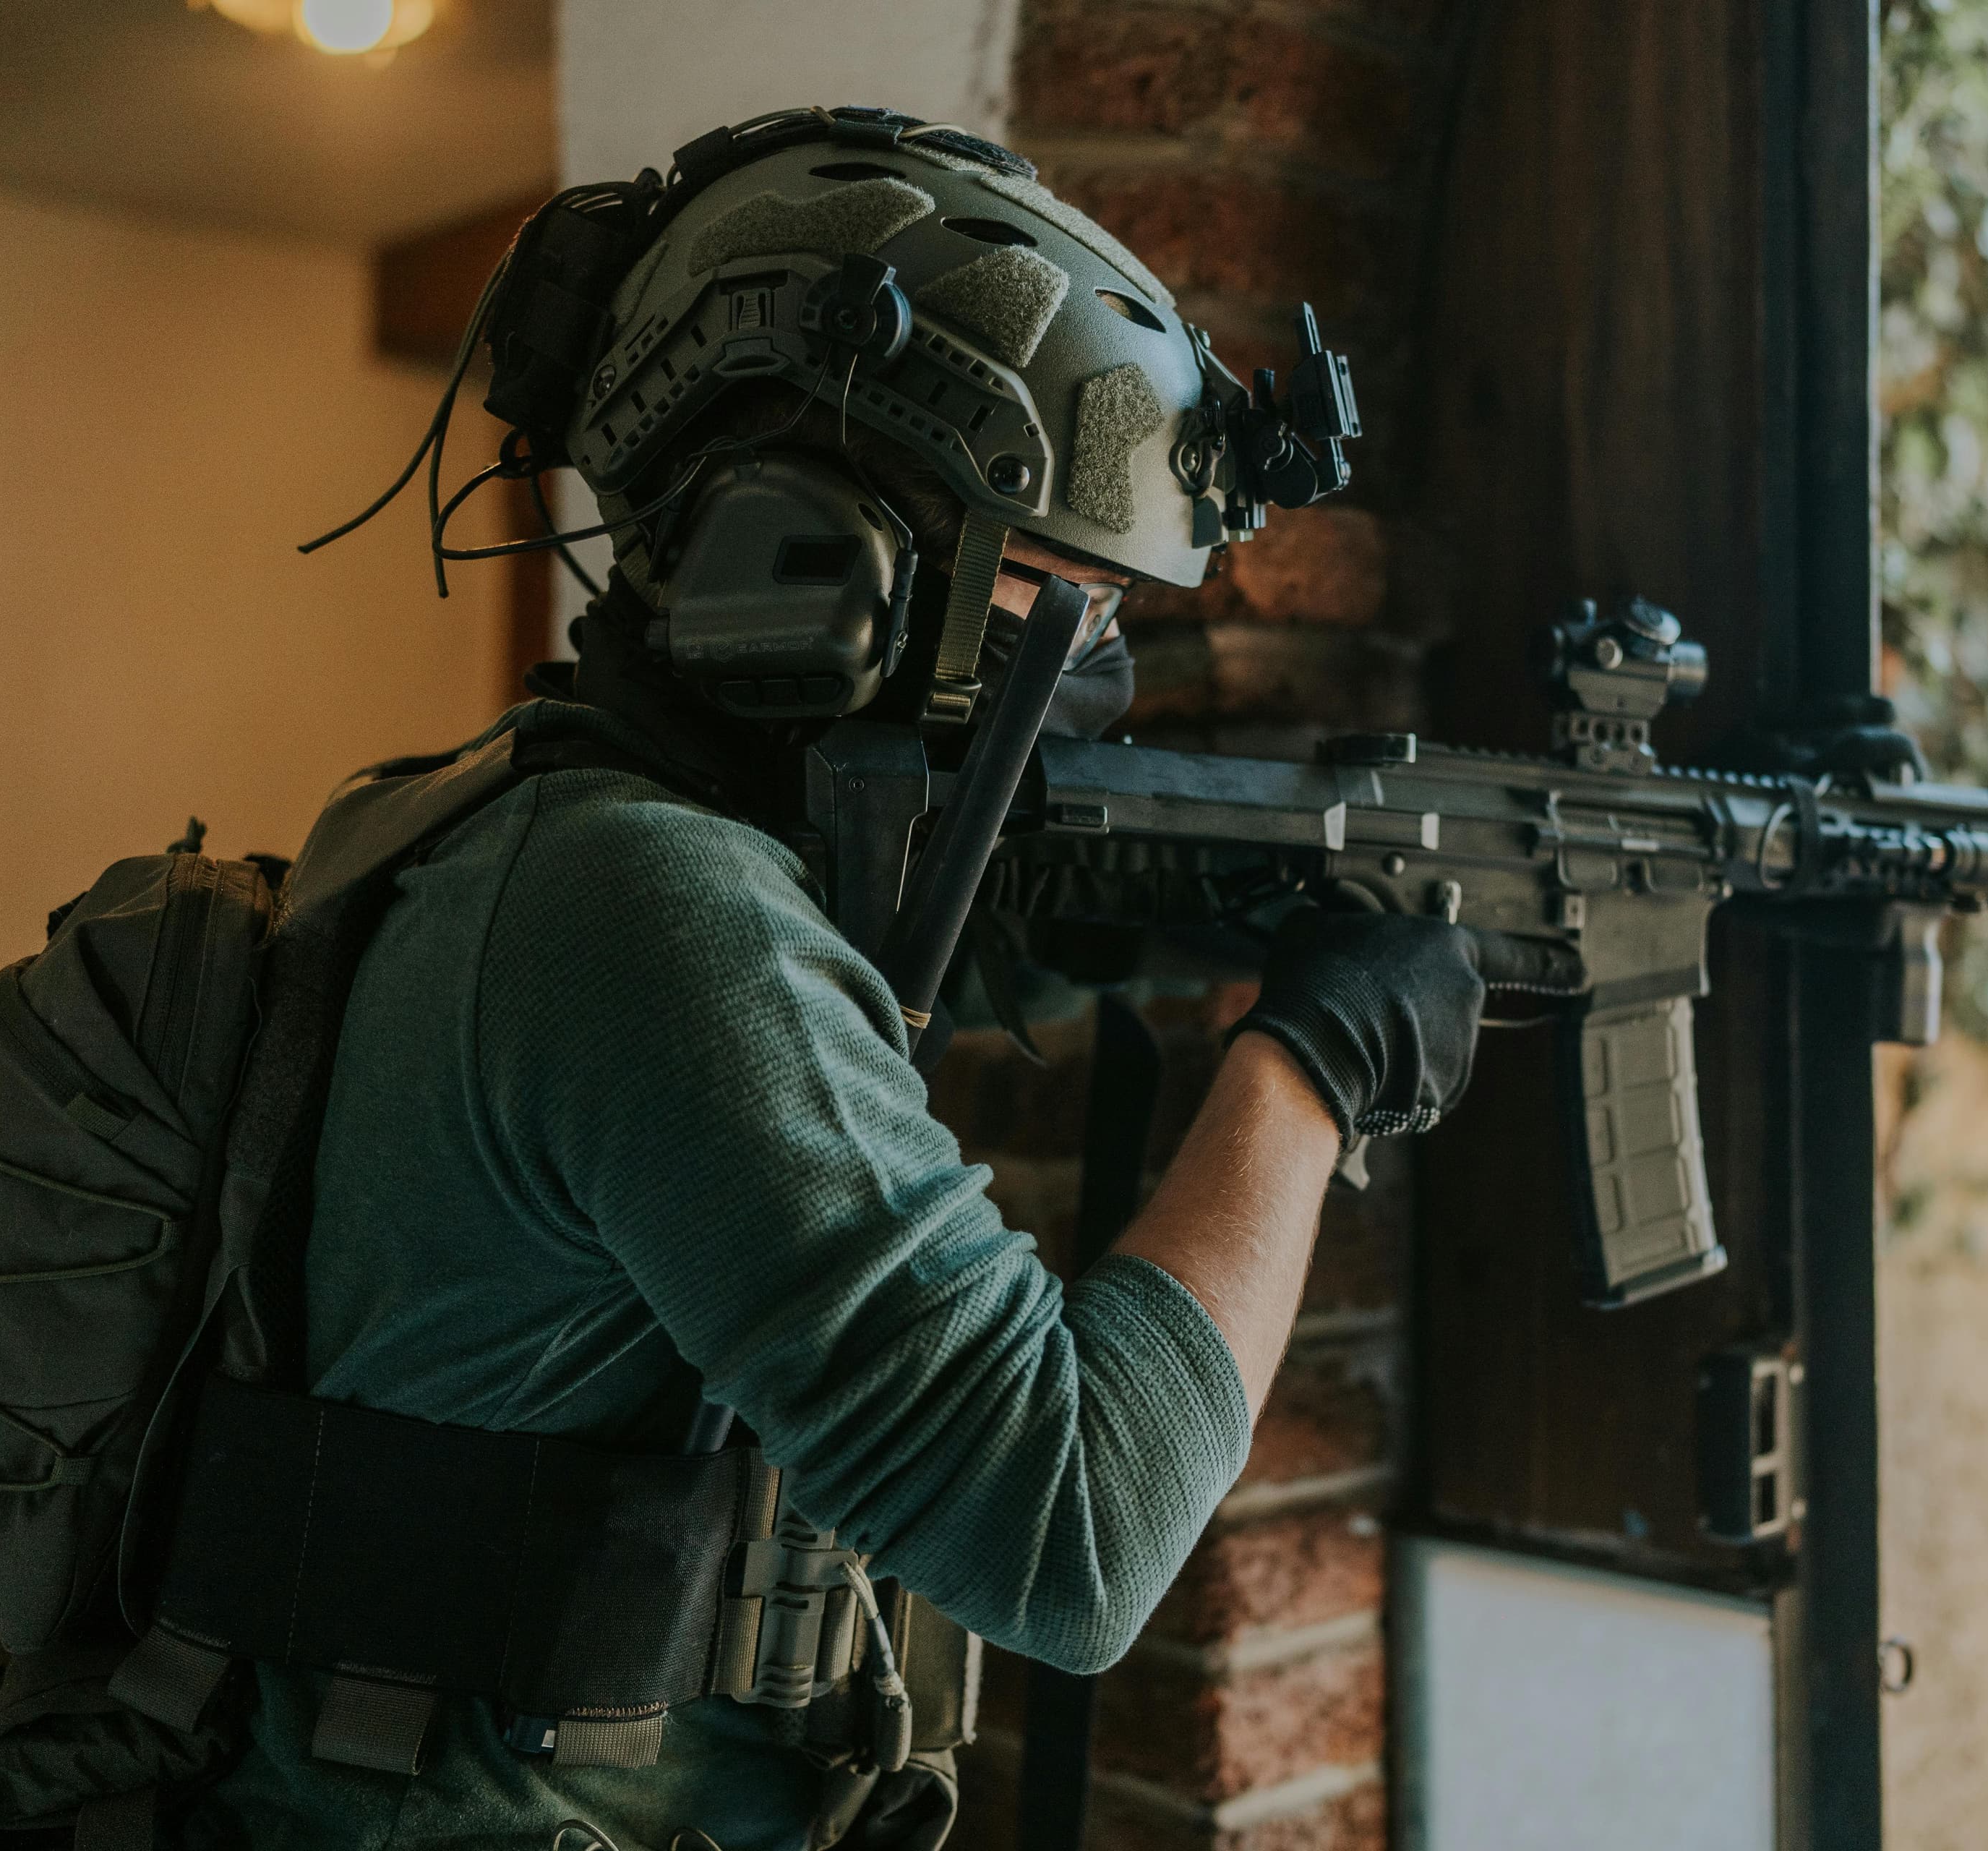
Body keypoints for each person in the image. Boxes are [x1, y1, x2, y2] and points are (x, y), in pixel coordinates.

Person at [179, 108, 1488, 1850]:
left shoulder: (523, 825)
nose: (1089, 664)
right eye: (1059, 595)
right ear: (820, 562)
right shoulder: (654, 912)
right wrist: (1311, 1063)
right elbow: (1073, 1532)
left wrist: (1192, 901)